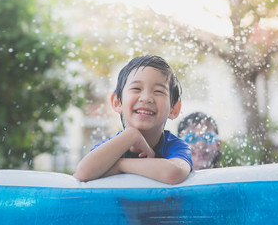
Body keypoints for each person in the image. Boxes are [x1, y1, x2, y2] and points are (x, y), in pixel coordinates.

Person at [74, 55, 192, 184]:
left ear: (174, 109)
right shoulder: (111, 149)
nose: (146, 98)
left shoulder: (175, 146)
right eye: (136, 88)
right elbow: (82, 173)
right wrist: (131, 135)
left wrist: (120, 165)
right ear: (117, 102)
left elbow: (174, 173)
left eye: (158, 91)